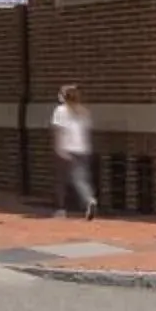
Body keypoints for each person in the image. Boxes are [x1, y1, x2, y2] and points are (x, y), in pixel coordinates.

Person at [51, 85, 95, 220]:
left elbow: (58, 130)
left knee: (63, 180)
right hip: (83, 148)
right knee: (81, 178)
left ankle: (62, 209)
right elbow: (87, 130)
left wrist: (58, 147)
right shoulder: (83, 111)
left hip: (67, 148)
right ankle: (88, 199)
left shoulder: (60, 110)